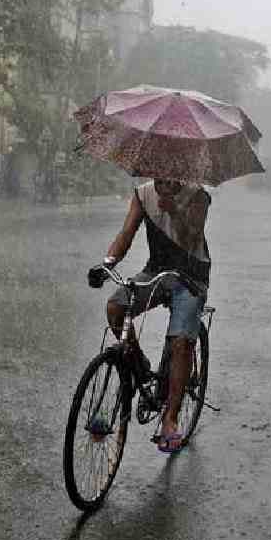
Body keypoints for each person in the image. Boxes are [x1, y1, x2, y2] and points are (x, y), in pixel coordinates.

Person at [90, 178, 211, 454]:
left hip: (191, 276)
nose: (162, 179)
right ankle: (139, 364)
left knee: (181, 342)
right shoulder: (143, 194)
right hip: (156, 271)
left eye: (169, 173)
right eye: (157, 172)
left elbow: (193, 235)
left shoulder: (198, 195)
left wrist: (174, 210)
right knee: (116, 307)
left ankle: (170, 420)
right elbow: (126, 233)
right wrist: (107, 263)